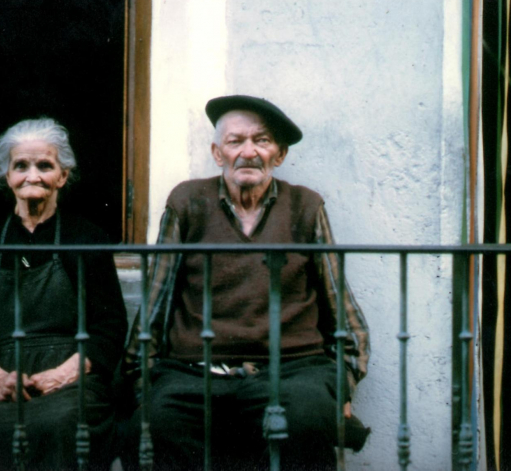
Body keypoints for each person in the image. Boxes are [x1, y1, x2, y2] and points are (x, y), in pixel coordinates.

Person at [123, 96, 371, 470]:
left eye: (262, 140)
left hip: (292, 370)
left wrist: (342, 385)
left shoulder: (306, 206)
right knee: (153, 426)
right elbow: (157, 300)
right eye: (235, 141)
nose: (249, 152)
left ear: (280, 155)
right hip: (195, 372)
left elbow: (343, 311)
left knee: (308, 418)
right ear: (218, 153)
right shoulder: (187, 202)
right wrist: (141, 383)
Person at [0, 117, 127, 469]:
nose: (32, 175)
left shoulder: (87, 239)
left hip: (73, 375)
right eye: (21, 165)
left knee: (58, 423)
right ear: (7, 176)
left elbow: (109, 329)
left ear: (62, 176)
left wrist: (61, 375)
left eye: (44, 165)